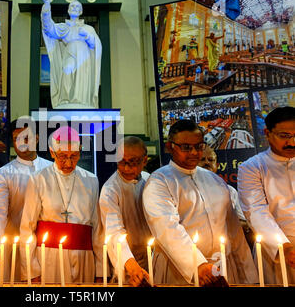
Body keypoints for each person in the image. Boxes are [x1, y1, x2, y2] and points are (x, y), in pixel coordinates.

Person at [142, 120, 257, 286]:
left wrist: (248, 274)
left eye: (199, 146)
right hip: (179, 270)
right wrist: (198, 265)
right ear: (170, 147)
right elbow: (167, 228)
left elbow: (233, 231)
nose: (194, 152)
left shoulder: (215, 180)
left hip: (221, 265)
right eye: (186, 147)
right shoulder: (160, 181)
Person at [19, 126, 102, 283]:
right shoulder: (38, 179)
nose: (69, 163)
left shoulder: (91, 180)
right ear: (52, 153)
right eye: (62, 156)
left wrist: (101, 269)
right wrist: (31, 270)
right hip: (48, 257)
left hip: (84, 257)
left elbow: (97, 228)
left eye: (74, 156)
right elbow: (27, 228)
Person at [0, 119, 52, 281]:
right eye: (17, 139)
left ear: (37, 138)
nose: (22, 143)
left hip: (49, 248)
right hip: (15, 248)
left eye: (26, 138)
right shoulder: (4, 174)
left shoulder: (52, 169)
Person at [238, 107, 295, 285]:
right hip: (276, 251)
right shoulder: (252, 167)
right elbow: (255, 211)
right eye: (284, 136)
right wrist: (283, 247)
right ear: (267, 133)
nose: (292, 142)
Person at [99, 136, 152, 287]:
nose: (127, 168)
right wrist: (130, 264)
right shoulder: (110, 190)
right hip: (127, 263)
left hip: (152, 257)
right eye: (122, 162)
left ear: (144, 160)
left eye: (133, 162)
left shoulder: (150, 181)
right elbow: (114, 231)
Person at [40, 0, 102, 109]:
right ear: (68, 10)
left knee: (81, 78)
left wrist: (87, 36)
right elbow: (49, 27)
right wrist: (47, 4)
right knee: (67, 70)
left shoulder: (88, 28)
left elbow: (96, 44)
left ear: (80, 12)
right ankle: (65, 99)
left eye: (77, 6)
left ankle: (81, 101)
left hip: (84, 55)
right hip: (69, 52)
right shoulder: (64, 27)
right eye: (72, 6)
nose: (74, 8)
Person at [198, 146, 254, 248]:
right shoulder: (186, 190)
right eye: (202, 159)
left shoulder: (229, 191)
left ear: (217, 165)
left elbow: (242, 222)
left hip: (227, 247)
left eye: (211, 160)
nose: (206, 163)